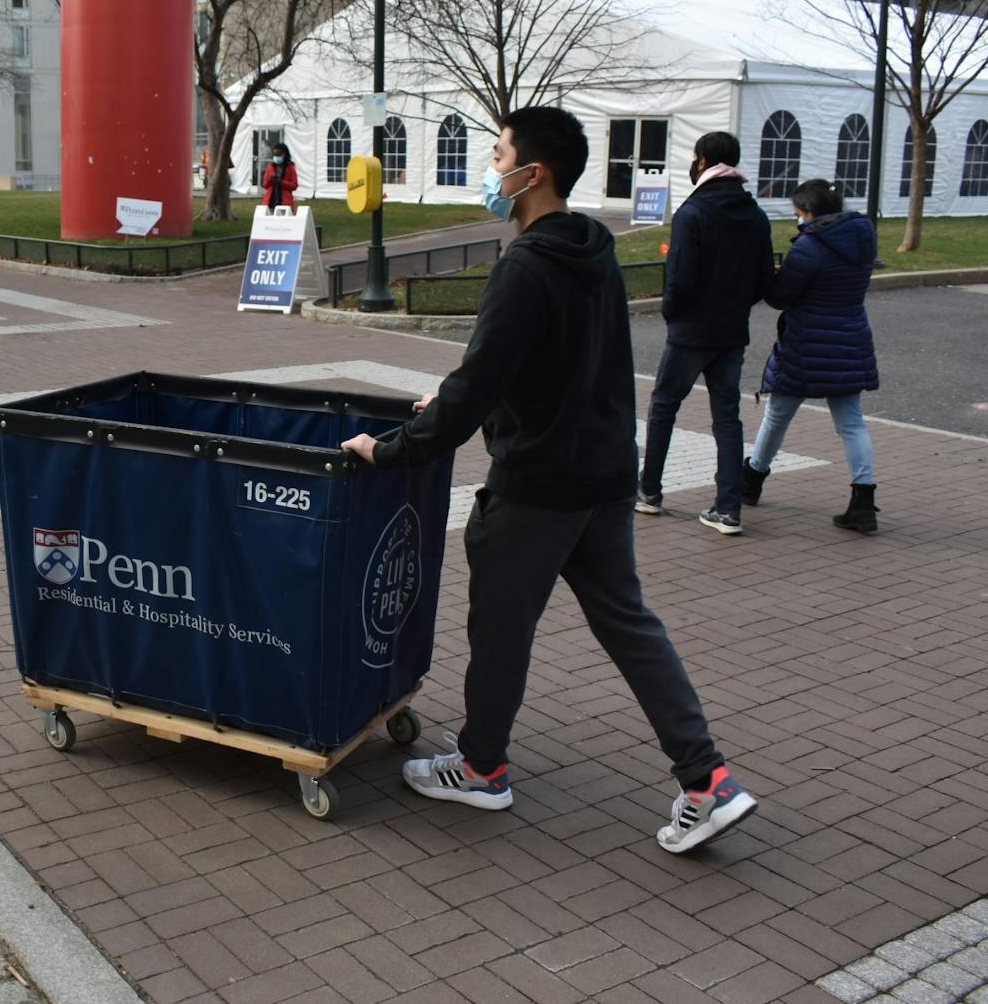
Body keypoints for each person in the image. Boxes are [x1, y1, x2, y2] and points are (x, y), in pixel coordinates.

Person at [340, 107, 757, 855]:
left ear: (531, 173)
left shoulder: (524, 268)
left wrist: (391, 449)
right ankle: (706, 778)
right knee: (629, 624)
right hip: (602, 475)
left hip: (537, 485)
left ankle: (482, 766)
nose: (489, 168)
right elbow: (548, 362)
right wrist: (473, 395)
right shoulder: (591, 246)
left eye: (498, 154)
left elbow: (473, 391)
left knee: (499, 629)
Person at [635, 132, 775, 536]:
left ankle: (649, 492)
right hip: (731, 331)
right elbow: (764, 278)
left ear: (704, 161)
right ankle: (728, 508)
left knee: (663, 408)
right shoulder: (755, 214)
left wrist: (670, 312)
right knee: (726, 419)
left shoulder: (692, 212)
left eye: (696, 157)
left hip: (690, 331)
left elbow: (679, 277)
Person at [744, 179, 881, 534]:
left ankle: (752, 479)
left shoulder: (809, 246)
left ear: (809, 212)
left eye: (798, 214)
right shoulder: (862, 238)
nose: (798, 221)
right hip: (850, 339)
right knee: (851, 422)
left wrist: (771, 277)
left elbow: (781, 297)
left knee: (777, 414)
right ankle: (863, 502)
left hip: (806, 344)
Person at [261, 143, 297, 209]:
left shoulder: (290, 168)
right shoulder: (270, 167)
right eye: (274, 155)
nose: (276, 157)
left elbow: (294, 185)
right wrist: (270, 180)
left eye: (278, 155)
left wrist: (281, 182)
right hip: (270, 201)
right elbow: (265, 185)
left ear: (284, 155)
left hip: (285, 202)